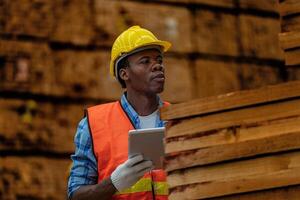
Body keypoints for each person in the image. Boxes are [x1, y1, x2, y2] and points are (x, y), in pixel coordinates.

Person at [67, 25, 171, 200]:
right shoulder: (93, 125)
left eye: (158, 60)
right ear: (124, 74)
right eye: (145, 61)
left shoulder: (180, 119)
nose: (157, 66)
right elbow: (75, 196)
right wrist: (113, 183)